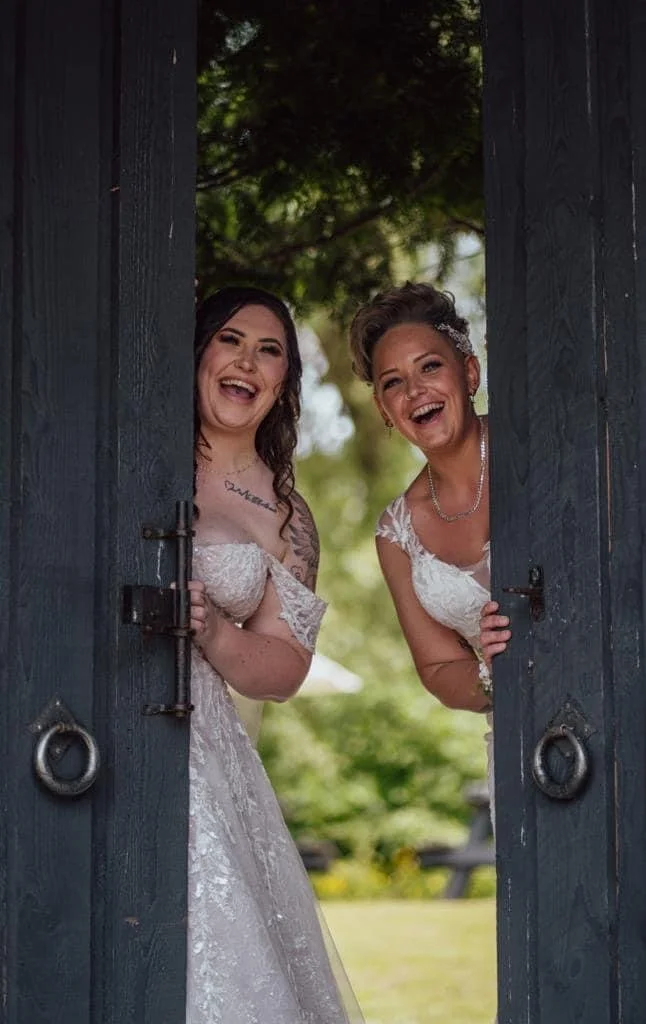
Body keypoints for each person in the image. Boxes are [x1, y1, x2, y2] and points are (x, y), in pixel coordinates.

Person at [186, 286, 363, 1024]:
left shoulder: (286, 514)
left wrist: (213, 634)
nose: (247, 362)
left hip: (197, 742)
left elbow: (286, 670)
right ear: (198, 354)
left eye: (270, 351)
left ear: (285, 381)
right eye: (230, 340)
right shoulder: (126, 449)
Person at [349, 281, 512, 826]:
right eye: (393, 382)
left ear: (469, 373)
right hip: (519, 732)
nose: (414, 390)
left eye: (429, 368)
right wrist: (490, 672)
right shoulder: (396, 534)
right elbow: (440, 667)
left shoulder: (538, 448)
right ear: (383, 409)